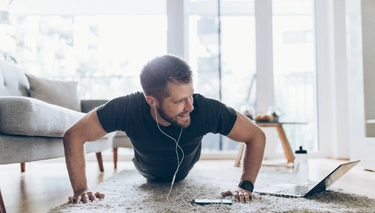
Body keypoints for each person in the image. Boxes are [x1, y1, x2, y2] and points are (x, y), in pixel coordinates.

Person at [63, 54, 266, 204]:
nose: (190, 106)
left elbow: (256, 135)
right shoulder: (127, 108)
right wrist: (81, 189)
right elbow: (74, 135)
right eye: (179, 101)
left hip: (187, 165)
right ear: (152, 101)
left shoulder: (205, 109)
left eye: (191, 95)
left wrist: (245, 185)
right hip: (146, 168)